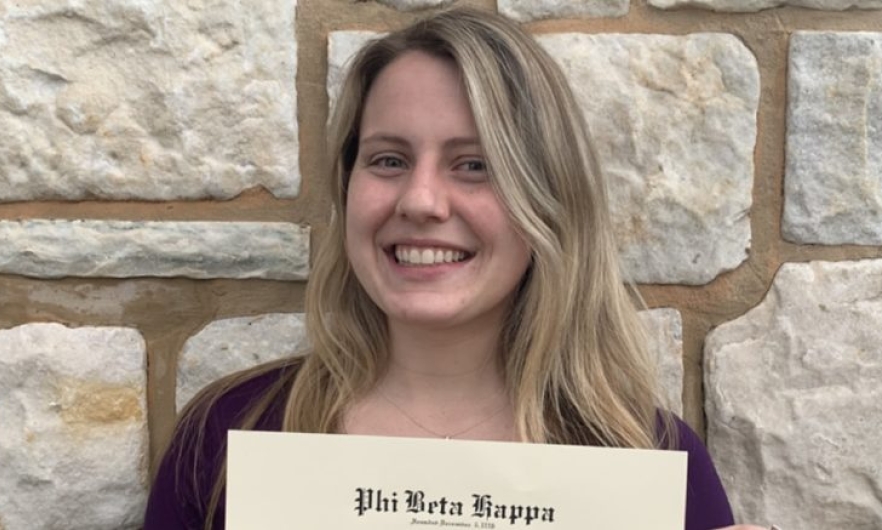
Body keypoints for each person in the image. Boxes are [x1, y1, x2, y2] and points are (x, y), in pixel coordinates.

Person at [144, 7, 771, 530]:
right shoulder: (228, 434)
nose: (420, 201)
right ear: (346, 186)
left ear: (547, 199)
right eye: (388, 160)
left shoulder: (648, 460)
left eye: (474, 165)